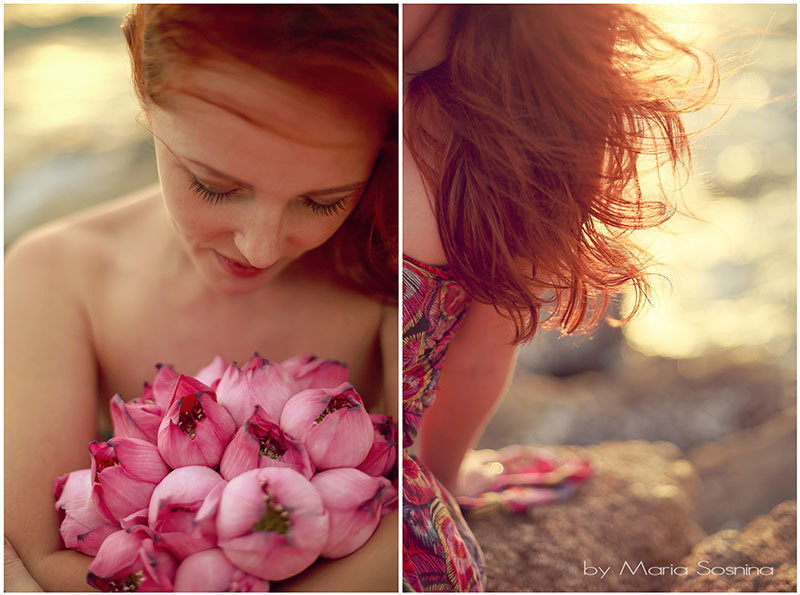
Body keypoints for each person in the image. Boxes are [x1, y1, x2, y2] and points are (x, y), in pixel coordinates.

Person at [5, 5, 398, 592]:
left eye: (322, 201)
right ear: (142, 90)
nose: (260, 249)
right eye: (212, 185)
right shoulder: (57, 275)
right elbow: (39, 555)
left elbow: (423, 509)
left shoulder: (391, 273)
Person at [402, 5, 715, 591]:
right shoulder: (307, 61)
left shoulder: (528, 122)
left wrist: (434, 478)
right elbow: (480, 356)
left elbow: (481, 353)